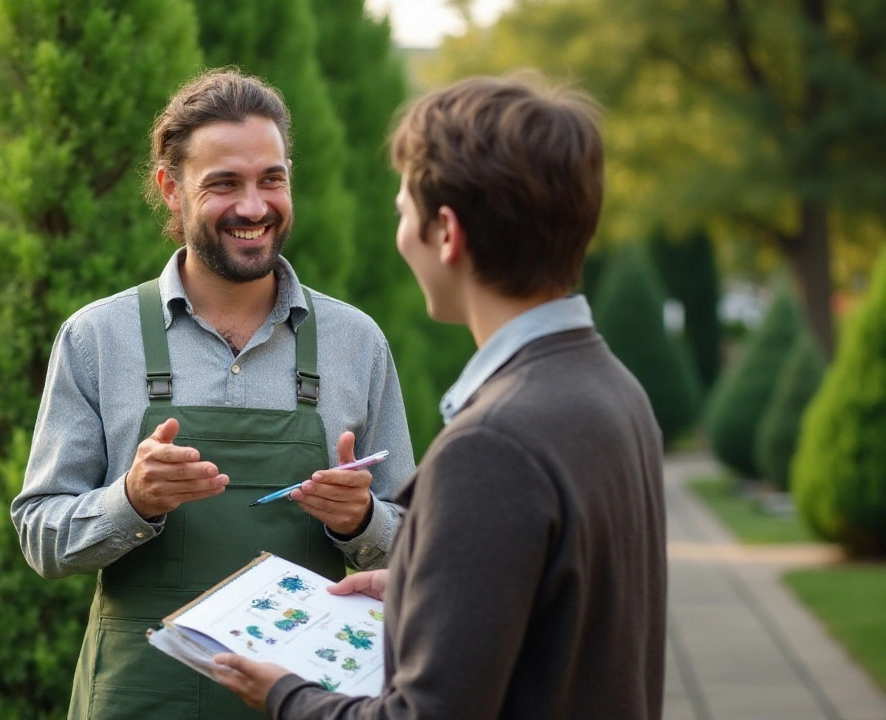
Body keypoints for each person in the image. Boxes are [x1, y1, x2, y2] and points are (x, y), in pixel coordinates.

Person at [213, 73, 668, 719]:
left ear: (447, 233)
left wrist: (284, 693)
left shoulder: (493, 443)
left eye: (403, 212)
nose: (401, 236)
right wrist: (430, 593)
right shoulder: (613, 389)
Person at [10, 69, 416, 720]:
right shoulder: (98, 338)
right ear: (172, 190)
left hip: (306, 702)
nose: (253, 207)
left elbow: (419, 552)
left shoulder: (355, 344)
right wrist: (132, 501)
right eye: (224, 183)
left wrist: (360, 520)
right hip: (139, 700)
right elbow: (40, 536)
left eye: (271, 179)